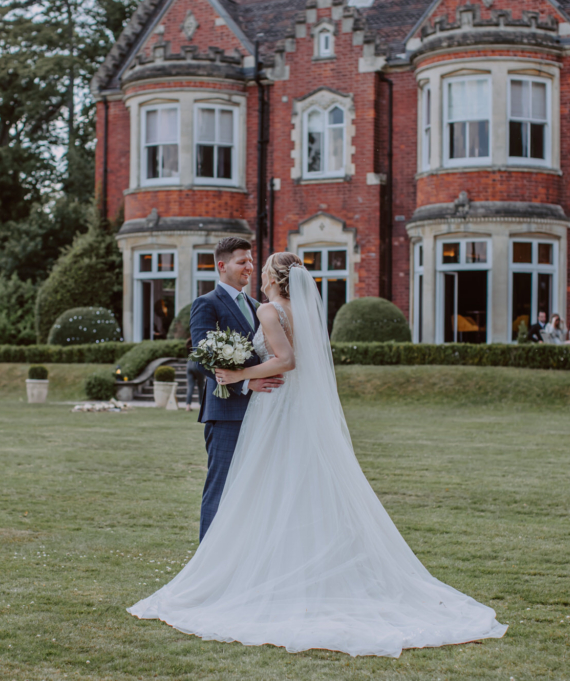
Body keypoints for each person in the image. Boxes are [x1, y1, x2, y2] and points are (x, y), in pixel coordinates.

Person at [129, 253, 507, 656]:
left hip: (275, 406)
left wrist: (240, 374)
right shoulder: (297, 309)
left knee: (262, 485)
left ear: (276, 277)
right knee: (291, 485)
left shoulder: (271, 310)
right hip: (292, 406)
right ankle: (275, 570)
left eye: (262, 265)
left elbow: (286, 361)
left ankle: (250, 577)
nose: (256, 270)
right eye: (246, 261)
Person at [188, 237, 284, 540]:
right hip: (227, 413)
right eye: (242, 261)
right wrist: (246, 382)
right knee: (220, 488)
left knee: (254, 491)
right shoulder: (207, 304)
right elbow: (202, 358)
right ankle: (206, 567)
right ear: (222, 265)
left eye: (252, 261)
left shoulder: (258, 307)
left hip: (262, 412)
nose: (250, 267)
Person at [183, 335, 204, 413]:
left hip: (189, 365)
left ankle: (188, 405)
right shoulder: (199, 344)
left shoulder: (188, 344)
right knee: (200, 386)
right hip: (198, 365)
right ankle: (201, 405)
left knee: (190, 387)